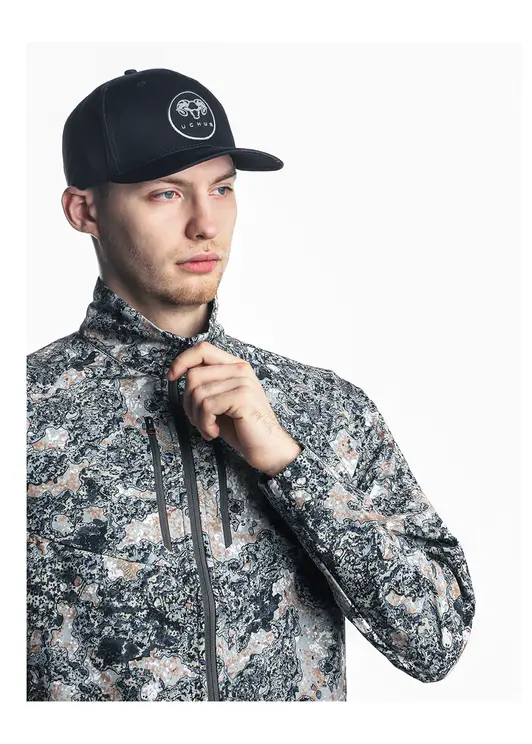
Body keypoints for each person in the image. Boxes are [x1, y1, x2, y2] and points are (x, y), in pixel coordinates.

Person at [27, 67, 476, 702]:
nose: (206, 224)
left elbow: (437, 642)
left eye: (222, 188)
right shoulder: (27, 412)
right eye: (166, 193)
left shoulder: (325, 408)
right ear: (85, 210)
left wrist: (289, 466)